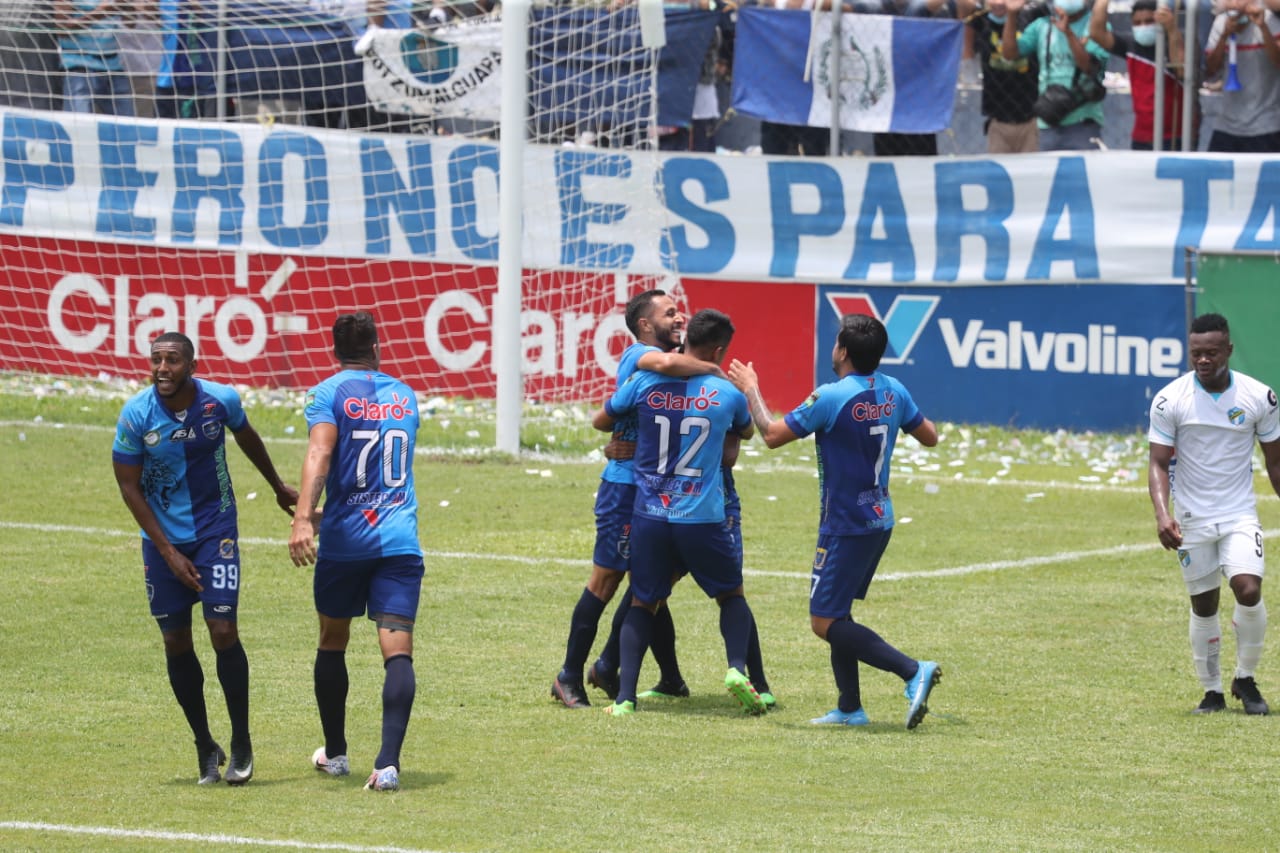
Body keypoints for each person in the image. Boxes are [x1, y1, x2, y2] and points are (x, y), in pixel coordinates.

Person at [728, 313, 941, 729]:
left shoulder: (831, 396)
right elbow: (929, 435)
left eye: (835, 342)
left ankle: (913, 670)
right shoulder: (894, 390)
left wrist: (751, 390)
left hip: (846, 524)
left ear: (842, 351)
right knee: (838, 613)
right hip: (880, 517)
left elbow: (771, 434)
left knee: (823, 622)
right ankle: (849, 707)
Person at [112, 331, 297, 785]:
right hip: (163, 543)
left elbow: (247, 437)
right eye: (156, 359)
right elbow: (129, 486)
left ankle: (241, 743)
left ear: (192, 365)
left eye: (172, 360)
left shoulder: (220, 401)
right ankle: (203, 743)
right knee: (175, 642)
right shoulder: (136, 414)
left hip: (216, 531)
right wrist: (168, 553)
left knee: (223, 629)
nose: (161, 368)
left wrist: (277, 486)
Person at [551, 289, 725, 709]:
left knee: (655, 583)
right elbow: (663, 365)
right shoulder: (639, 355)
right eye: (668, 313)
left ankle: (648, 672)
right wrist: (715, 368)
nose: (678, 316)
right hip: (626, 486)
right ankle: (569, 676)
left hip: (661, 489)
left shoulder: (682, 363)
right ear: (645, 325)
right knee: (608, 581)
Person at [593, 308, 766, 717]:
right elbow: (743, 434)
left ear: (684, 339)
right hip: (702, 516)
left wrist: (621, 442)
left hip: (650, 514)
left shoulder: (643, 382)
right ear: (720, 350)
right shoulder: (727, 394)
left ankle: (624, 699)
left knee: (642, 601)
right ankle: (738, 670)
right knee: (730, 596)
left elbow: (603, 419)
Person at [289, 312, 425, 792]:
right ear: (377, 346)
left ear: (334, 351)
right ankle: (387, 765)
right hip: (398, 543)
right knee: (397, 651)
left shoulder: (327, 393)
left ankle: (338, 752)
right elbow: (380, 474)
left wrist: (305, 516)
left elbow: (322, 454)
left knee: (332, 641)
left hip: (346, 545)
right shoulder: (405, 395)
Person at [1147, 313, 1280, 716]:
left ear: (1228, 350)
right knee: (1204, 605)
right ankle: (1212, 691)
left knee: (1248, 589)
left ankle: (1245, 677)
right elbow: (1157, 463)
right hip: (1192, 519)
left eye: (1211, 353)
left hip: (1239, 514)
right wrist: (1161, 514)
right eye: (1195, 353)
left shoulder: (1260, 397)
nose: (1203, 360)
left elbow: (1275, 463)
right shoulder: (1171, 399)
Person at [1001, 0, 1111, 151]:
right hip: (1048, 122)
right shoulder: (1042, 25)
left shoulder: (1095, 27)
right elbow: (1009, 53)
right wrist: (1012, 15)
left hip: (1083, 120)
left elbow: (1088, 66)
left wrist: (1068, 33)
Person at [1089, 0, 1192, 150]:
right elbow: (1097, 33)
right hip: (1141, 136)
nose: (1143, 26)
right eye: (1137, 23)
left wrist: (1171, 30)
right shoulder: (1130, 45)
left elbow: (1182, 70)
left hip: (1175, 136)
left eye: (1149, 21)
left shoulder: (1175, 41)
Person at [960, 0, 1047, 153]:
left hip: (1032, 116)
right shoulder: (980, 21)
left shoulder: (1032, 16)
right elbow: (963, 10)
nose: (999, 3)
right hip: (997, 119)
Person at [1204, 0, 1280, 152]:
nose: (1236, 4)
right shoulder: (1220, 23)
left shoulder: (1270, 20)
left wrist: (1263, 28)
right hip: (1226, 125)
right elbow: (1211, 70)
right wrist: (1224, 35)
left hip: (1265, 125)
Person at [54, 0, 137, 115]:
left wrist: (127, 5)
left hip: (113, 67)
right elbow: (61, 29)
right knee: (79, 127)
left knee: (127, 127)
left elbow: (130, 23)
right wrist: (99, 13)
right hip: (79, 68)